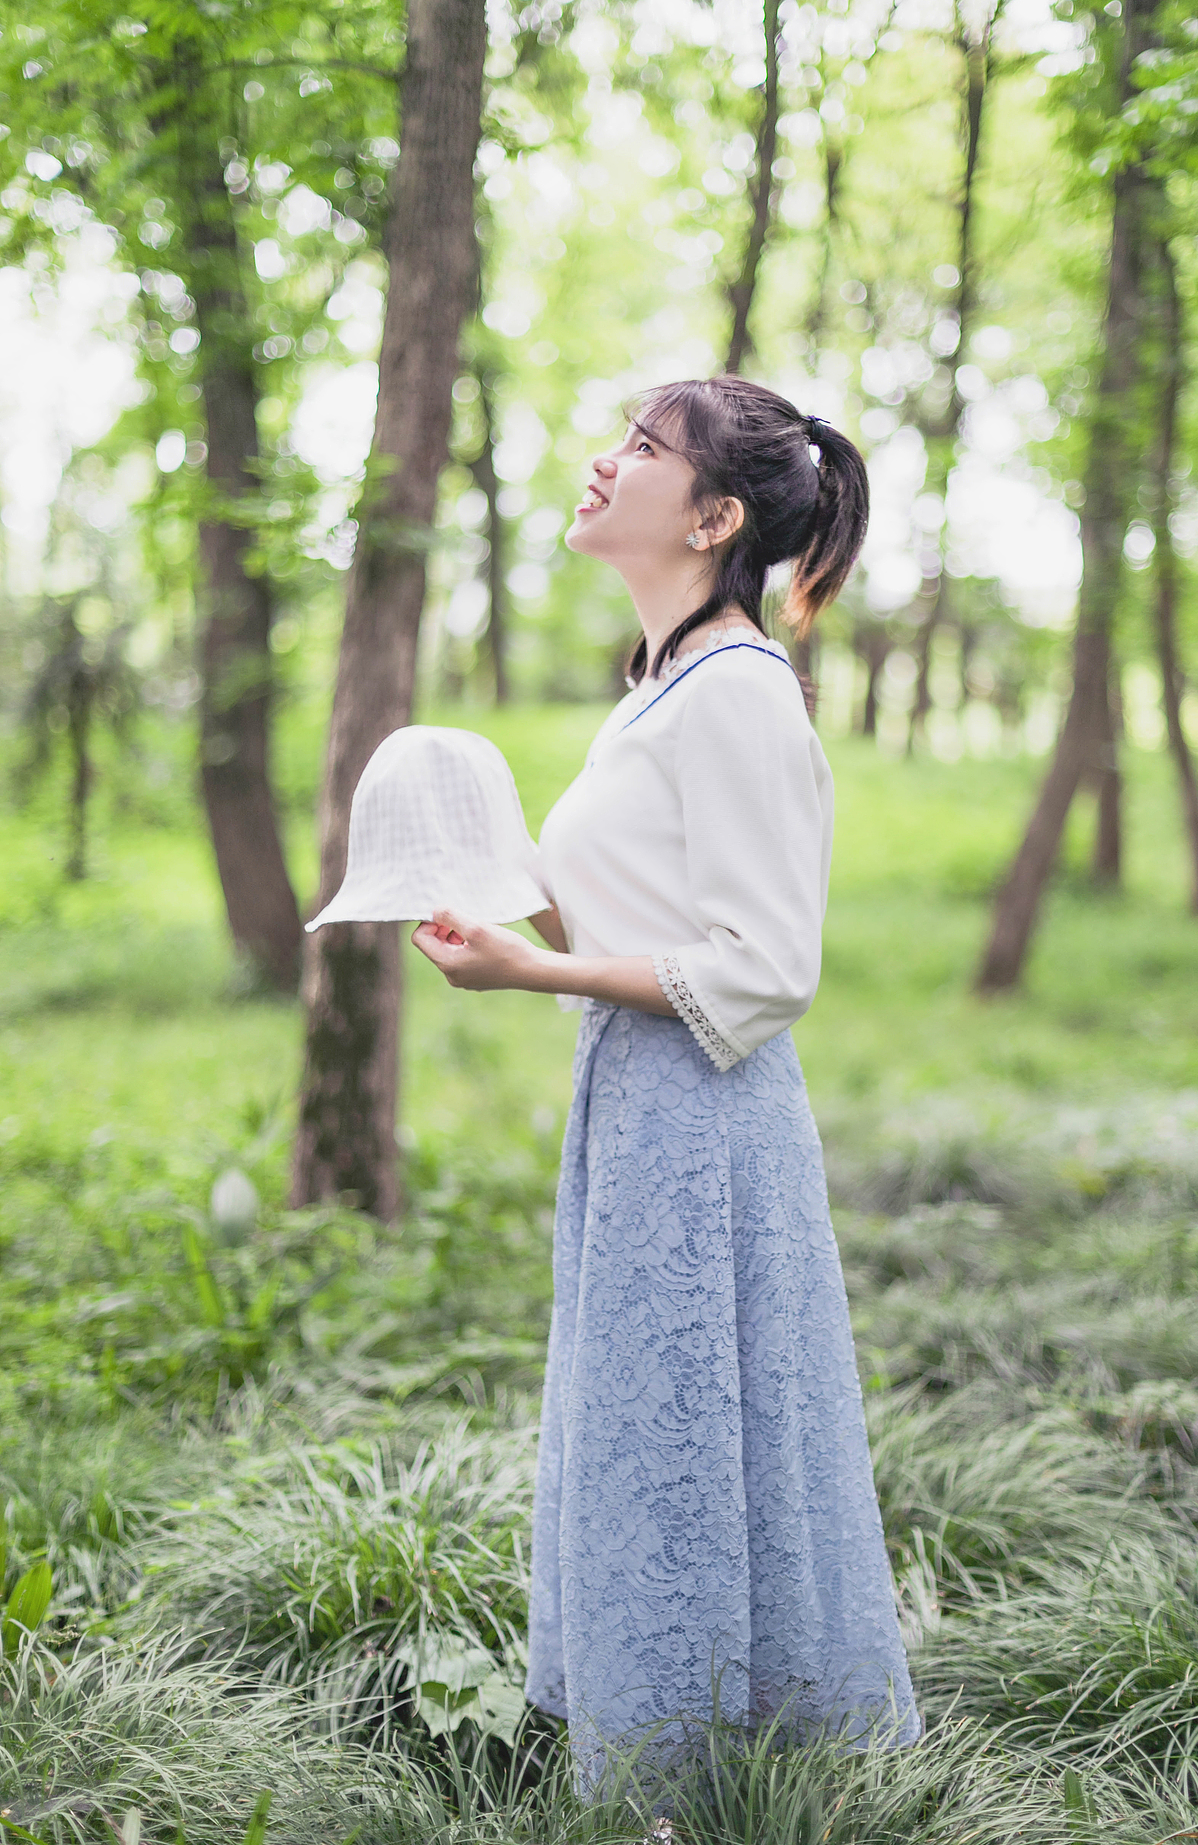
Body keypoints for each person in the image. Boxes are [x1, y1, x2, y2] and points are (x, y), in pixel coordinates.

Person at [412, 374, 919, 1790]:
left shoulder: (741, 695)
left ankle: (721, 1775)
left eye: (643, 448)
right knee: (647, 1425)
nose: (601, 462)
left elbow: (764, 968)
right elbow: (645, 930)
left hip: (706, 1116)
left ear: (714, 515)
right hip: (634, 1103)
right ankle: (674, 1755)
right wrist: (508, 919)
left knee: (700, 1424)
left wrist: (536, 977)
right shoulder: (658, 690)